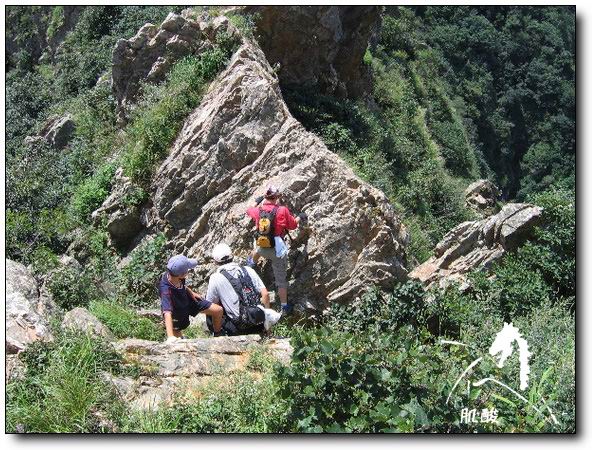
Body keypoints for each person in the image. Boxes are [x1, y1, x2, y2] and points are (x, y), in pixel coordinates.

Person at [246, 185, 307, 315]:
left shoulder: (259, 211)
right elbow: (292, 225)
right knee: (281, 281)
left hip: (262, 246)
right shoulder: (282, 210)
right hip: (277, 251)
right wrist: (300, 217)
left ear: (265, 197)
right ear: (277, 197)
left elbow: (249, 210)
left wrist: (257, 201)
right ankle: (284, 307)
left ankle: (251, 264)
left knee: (257, 248)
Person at [205, 243, 281, 336]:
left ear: (215, 262)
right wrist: (267, 323)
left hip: (238, 328)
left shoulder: (215, 277)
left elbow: (213, 307)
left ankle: (218, 334)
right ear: (232, 256)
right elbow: (265, 295)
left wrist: (217, 332)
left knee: (209, 306)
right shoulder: (248, 270)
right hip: (257, 323)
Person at [158, 254, 224, 341]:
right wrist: (170, 337)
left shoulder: (173, 274)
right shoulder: (165, 290)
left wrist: (191, 292)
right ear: (182, 274)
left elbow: (181, 285)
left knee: (218, 310)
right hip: (177, 310)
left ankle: (217, 335)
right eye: (187, 270)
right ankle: (178, 338)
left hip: (189, 300)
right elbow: (167, 312)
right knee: (178, 335)